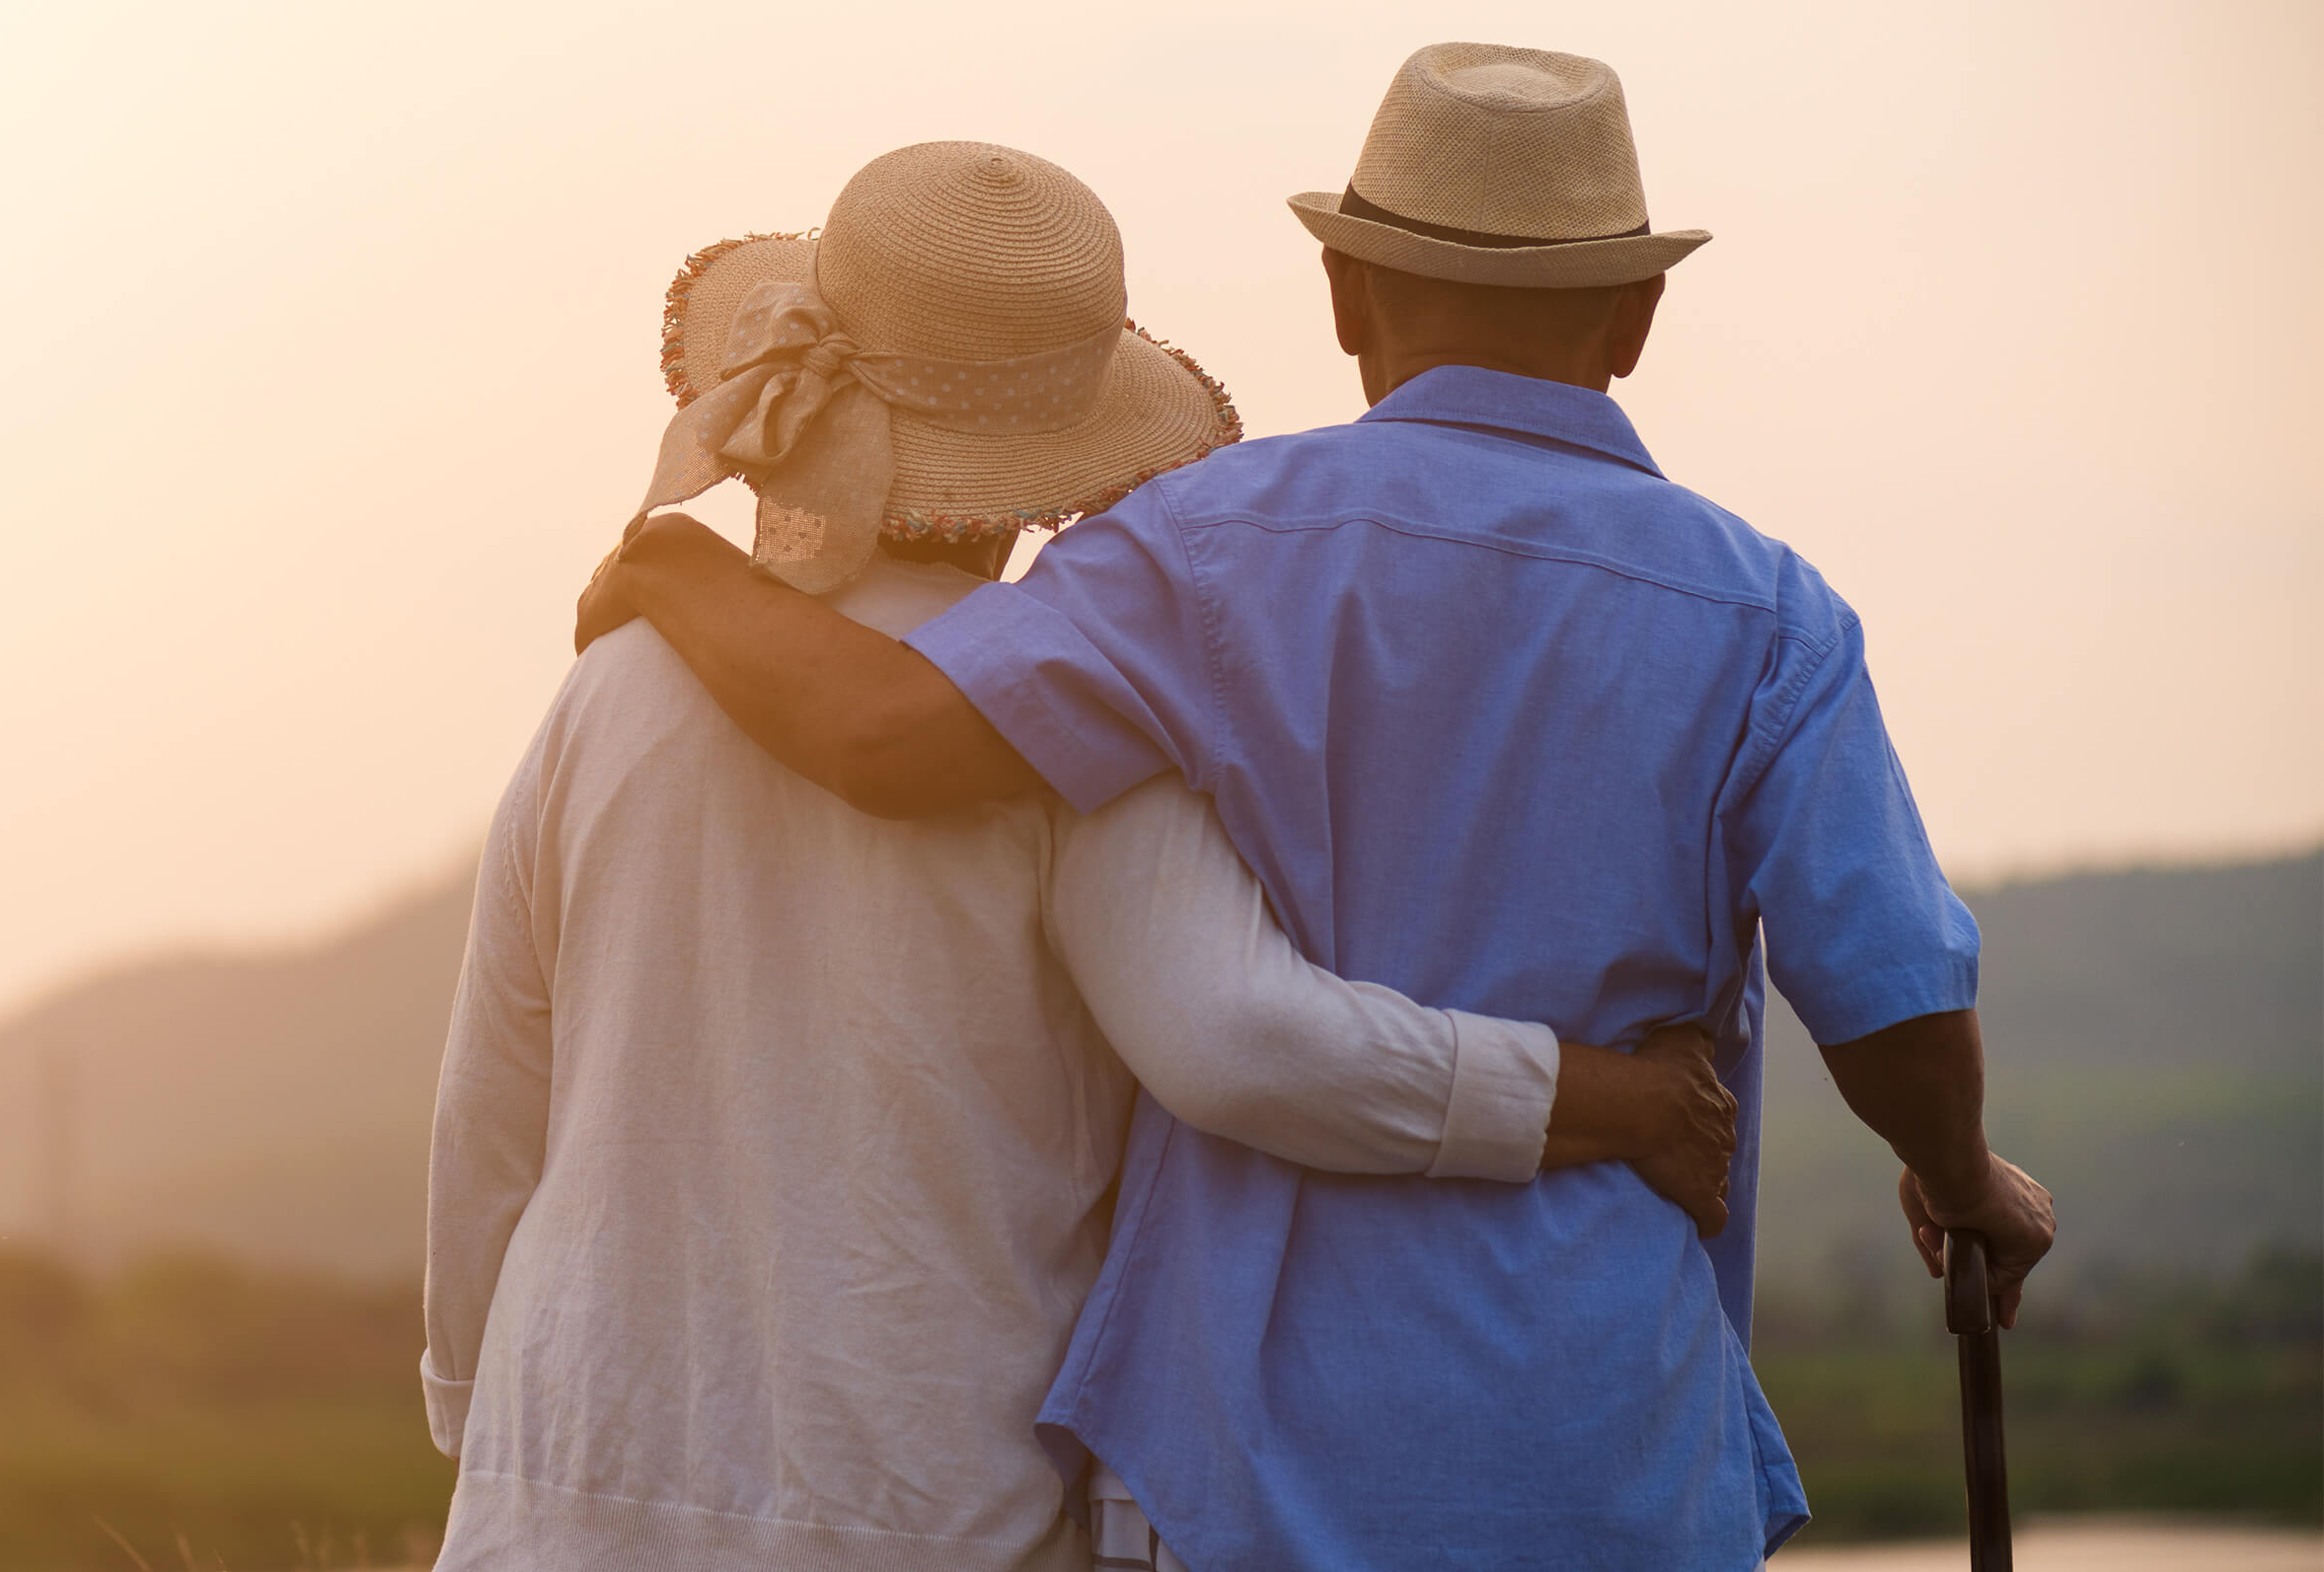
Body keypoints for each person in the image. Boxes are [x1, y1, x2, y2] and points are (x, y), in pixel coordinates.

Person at [575, 47, 2059, 1569]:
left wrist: (672, 567)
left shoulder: (1193, 549)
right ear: (1635, 317)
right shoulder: (1768, 620)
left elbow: (886, 731)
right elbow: (1890, 1005)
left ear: (1346, 296)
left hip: (1236, 1474)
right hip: (1607, 1455)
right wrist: (1963, 1178)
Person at [424, 140, 1739, 1572]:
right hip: (913, 1518)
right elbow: (1236, 1041)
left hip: (549, 1508)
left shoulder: (609, 687)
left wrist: (484, 1422)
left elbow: (491, 1115)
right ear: (1062, 461)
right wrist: (1604, 1099)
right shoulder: (1070, 718)